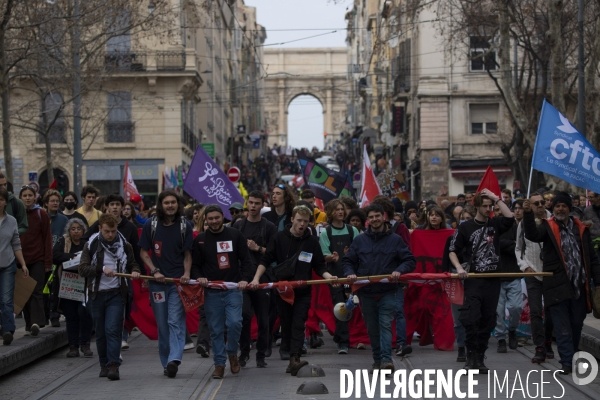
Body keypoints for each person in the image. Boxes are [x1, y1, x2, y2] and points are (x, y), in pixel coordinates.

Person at [249, 205, 338, 376]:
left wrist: (329, 277)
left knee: (299, 324)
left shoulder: (312, 242)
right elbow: (266, 260)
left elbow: (319, 265)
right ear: (292, 220)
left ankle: (294, 358)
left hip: (303, 292)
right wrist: (256, 278)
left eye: (305, 221)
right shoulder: (279, 238)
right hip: (283, 292)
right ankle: (291, 355)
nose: (302, 224)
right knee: (287, 325)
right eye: (299, 220)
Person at [523, 192, 600, 374]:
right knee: (562, 326)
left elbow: (592, 258)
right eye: (557, 206)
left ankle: (570, 356)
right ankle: (566, 362)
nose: (560, 208)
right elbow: (533, 235)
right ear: (553, 208)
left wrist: (598, 282)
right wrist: (527, 214)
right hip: (557, 287)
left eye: (563, 206)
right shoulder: (548, 227)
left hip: (579, 287)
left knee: (576, 324)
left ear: (569, 208)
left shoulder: (581, 228)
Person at [342, 203, 416, 372]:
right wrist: (350, 273)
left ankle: (386, 360)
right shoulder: (360, 240)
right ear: (367, 220)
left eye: (377, 216)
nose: (375, 219)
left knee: (385, 324)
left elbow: (410, 260)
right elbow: (348, 260)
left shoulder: (395, 240)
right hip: (366, 292)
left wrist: (399, 270)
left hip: (388, 291)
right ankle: (377, 360)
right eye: (371, 217)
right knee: (372, 328)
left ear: (384, 217)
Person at [448, 189, 514, 373]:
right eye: (484, 206)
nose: (488, 209)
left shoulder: (495, 224)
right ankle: (470, 354)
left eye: (490, 206)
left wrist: (496, 199)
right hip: (474, 279)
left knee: (488, 319)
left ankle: (480, 355)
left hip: (492, 280)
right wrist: (460, 268)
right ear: (476, 206)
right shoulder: (465, 227)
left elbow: (509, 218)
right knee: (471, 318)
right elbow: (453, 250)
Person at [193, 204, 254, 379]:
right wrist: (199, 278)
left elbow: (247, 260)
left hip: (233, 290)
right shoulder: (201, 240)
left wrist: (244, 279)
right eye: (210, 219)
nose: (213, 221)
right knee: (216, 329)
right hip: (211, 292)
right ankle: (219, 364)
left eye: (216, 218)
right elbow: (195, 266)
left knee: (235, 323)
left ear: (222, 217)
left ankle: (232, 352)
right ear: (205, 219)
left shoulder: (235, 235)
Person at [138, 190, 193, 378]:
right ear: (161, 205)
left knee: (175, 321)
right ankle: (166, 362)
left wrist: (186, 273)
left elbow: (187, 255)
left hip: (177, 283)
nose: (170, 205)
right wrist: (154, 271)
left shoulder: (186, 225)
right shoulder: (150, 225)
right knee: (162, 324)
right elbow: (143, 253)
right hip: (157, 285)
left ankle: (174, 359)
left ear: (178, 204)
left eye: (173, 202)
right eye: (166, 202)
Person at [79, 214, 140, 380]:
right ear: (100, 229)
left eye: (113, 231)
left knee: (112, 330)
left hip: (116, 294)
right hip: (96, 294)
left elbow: (133, 263)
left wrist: (135, 271)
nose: (111, 235)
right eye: (107, 231)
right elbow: (82, 269)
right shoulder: (91, 244)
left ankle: (113, 365)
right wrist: (101, 268)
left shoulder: (124, 245)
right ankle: (103, 364)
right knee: (100, 333)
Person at [84, 194, 143, 350]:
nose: (115, 207)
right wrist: (98, 266)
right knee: (102, 327)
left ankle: (121, 336)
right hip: (99, 287)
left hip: (122, 280)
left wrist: (137, 270)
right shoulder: (97, 228)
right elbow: (86, 245)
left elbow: (134, 255)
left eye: (118, 204)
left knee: (123, 306)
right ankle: (107, 358)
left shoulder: (130, 228)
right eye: (112, 204)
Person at [232, 191, 277, 368]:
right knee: (244, 315)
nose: (253, 206)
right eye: (250, 203)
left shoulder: (269, 227)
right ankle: (243, 353)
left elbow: (274, 254)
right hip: (243, 278)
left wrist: (258, 248)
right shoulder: (238, 227)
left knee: (263, 319)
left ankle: (261, 354)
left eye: (257, 203)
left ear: (262, 205)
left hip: (263, 278)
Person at [318, 199, 360, 355]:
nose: (340, 212)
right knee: (340, 307)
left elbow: (358, 252)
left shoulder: (352, 231)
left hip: (351, 275)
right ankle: (343, 342)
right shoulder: (325, 233)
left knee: (352, 306)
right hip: (334, 276)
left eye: (342, 209)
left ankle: (349, 337)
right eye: (337, 210)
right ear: (331, 213)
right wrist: (331, 257)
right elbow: (324, 256)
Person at [516, 192, 553, 363]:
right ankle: (539, 347)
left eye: (542, 202)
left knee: (552, 311)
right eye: (535, 203)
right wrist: (525, 267)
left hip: (552, 273)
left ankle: (548, 342)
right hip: (533, 273)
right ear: (529, 206)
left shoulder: (553, 222)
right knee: (536, 311)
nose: (539, 205)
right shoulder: (524, 224)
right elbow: (518, 248)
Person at [52, 218, 93, 357]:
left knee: (85, 314)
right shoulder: (63, 242)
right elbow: (55, 256)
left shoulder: (88, 244)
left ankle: (85, 344)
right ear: (69, 231)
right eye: (73, 229)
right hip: (68, 284)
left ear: (83, 230)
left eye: (79, 229)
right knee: (71, 316)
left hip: (84, 284)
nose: (76, 231)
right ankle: (73, 346)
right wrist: (72, 257)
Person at [19, 185, 52, 336]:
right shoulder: (15, 215)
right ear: (20, 198)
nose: (27, 198)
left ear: (35, 197)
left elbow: (47, 238)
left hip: (38, 259)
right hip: (20, 260)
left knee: (37, 290)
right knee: (24, 291)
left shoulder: (41, 214)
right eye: (24, 195)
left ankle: (36, 322)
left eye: (29, 195)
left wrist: (47, 261)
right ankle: (28, 323)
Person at [0, 187, 29, 345]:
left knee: (6, 300)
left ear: (6, 202)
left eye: (1, 199)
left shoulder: (11, 221)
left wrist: (23, 264)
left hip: (7, 265)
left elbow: (16, 244)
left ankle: (8, 330)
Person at [494, 200, 523, 353]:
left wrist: (504, 244)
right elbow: (493, 245)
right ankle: (500, 338)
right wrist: (507, 244)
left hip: (513, 273)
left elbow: (518, 247)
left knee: (516, 307)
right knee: (498, 311)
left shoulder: (515, 227)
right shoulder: (491, 227)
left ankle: (512, 330)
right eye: (497, 210)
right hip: (497, 276)